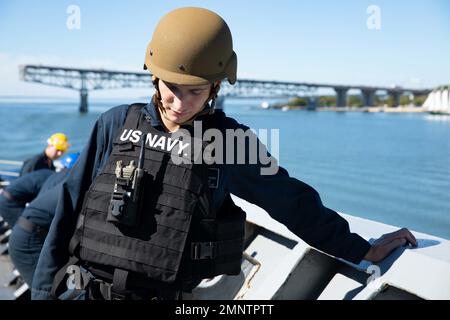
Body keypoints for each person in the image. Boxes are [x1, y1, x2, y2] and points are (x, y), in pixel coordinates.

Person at [32, 7, 417, 300]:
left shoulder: (228, 142)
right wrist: (43, 292)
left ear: (216, 86)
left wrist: (362, 248)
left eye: (195, 91)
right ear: (153, 74)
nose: (179, 103)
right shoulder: (116, 123)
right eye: (171, 87)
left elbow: (291, 202)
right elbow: (70, 207)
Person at [8, 153, 80, 287]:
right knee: (46, 287)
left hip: (25, 225)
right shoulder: (69, 182)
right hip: (30, 233)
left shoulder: (54, 176)